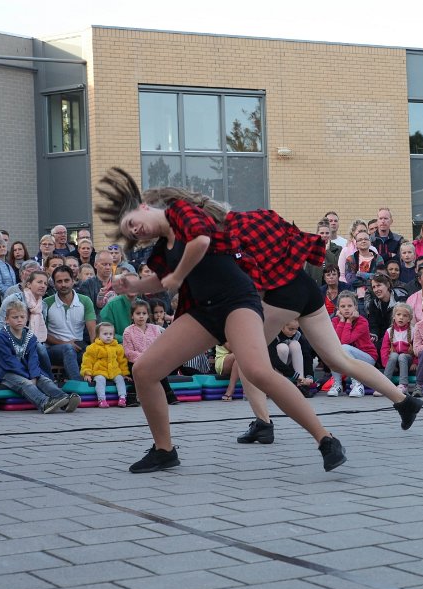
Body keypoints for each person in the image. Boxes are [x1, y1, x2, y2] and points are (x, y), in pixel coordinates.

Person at [95, 169, 347, 473]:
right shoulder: (163, 247)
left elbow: (200, 240)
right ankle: (164, 450)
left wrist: (177, 276)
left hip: (237, 301)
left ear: (145, 207)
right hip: (203, 311)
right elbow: (160, 280)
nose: (137, 231)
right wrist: (132, 286)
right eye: (133, 234)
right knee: (146, 370)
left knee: (257, 370)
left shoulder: (180, 212)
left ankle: (325, 439)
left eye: (133, 223)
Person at [0, 300, 79, 414]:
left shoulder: (30, 336)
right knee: (25, 383)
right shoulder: (2, 337)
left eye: (22, 317)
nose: (19, 320)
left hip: (26, 370)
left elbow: (33, 358)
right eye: (15, 317)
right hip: (5, 373)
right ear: (7, 320)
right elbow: (8, 362)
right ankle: (44, 403)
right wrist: (28, 376)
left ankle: (64, 399)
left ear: (26, 318)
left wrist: (34, 375)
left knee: (43, 379)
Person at [43, 265, 97, 381]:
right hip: (53, 350)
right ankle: (78, 386)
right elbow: (42, 334)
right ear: (54, 284)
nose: (63, 284)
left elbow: (93, 331)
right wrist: (64, 343)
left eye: (67, 280)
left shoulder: (85, 301)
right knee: (67, 348)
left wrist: (96, 350)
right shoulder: (46, 303)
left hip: (78, 348)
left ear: (73, 281)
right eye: (59, 281)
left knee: (98, 352)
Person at [80, 321, 130, 408]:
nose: (108, 336)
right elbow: (87, 361)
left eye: (111, 334)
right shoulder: (93, 347)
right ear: (98, 335)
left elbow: (122, 361)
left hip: (114, 371)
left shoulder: (117, 347)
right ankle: (101, 399)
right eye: (105, 334)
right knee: (100, 380)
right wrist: (87, 373)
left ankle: (122, 397)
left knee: (120, 379)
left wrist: (124, 374)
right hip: (100, 371)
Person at [381, 303, 415, 395]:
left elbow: (416, 348)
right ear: (394, 317)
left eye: (405, 316)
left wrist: (415, 362)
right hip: (394, 360)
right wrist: (385, 362)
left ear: (409, 319)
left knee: (402, 356)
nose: (401, 317)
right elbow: (384, 349)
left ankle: (403, 385)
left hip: (407, 360)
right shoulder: (389, 331)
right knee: (394, 355)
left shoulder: (413, 331)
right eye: (398, 315)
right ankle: (384, 384)